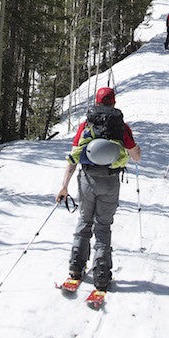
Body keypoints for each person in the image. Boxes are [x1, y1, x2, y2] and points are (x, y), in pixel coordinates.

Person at [57, 87, 142, 289]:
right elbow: (136, 156)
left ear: (96, 102)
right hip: (110, 181)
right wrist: (134, 151)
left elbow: (74, 157)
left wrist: (64, 187)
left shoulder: (86, 125)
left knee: (84, 220)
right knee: (103, 226)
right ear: (113, 103)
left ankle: (76, 268)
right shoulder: (122, 127)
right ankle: (102, 276)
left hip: (87, 179)